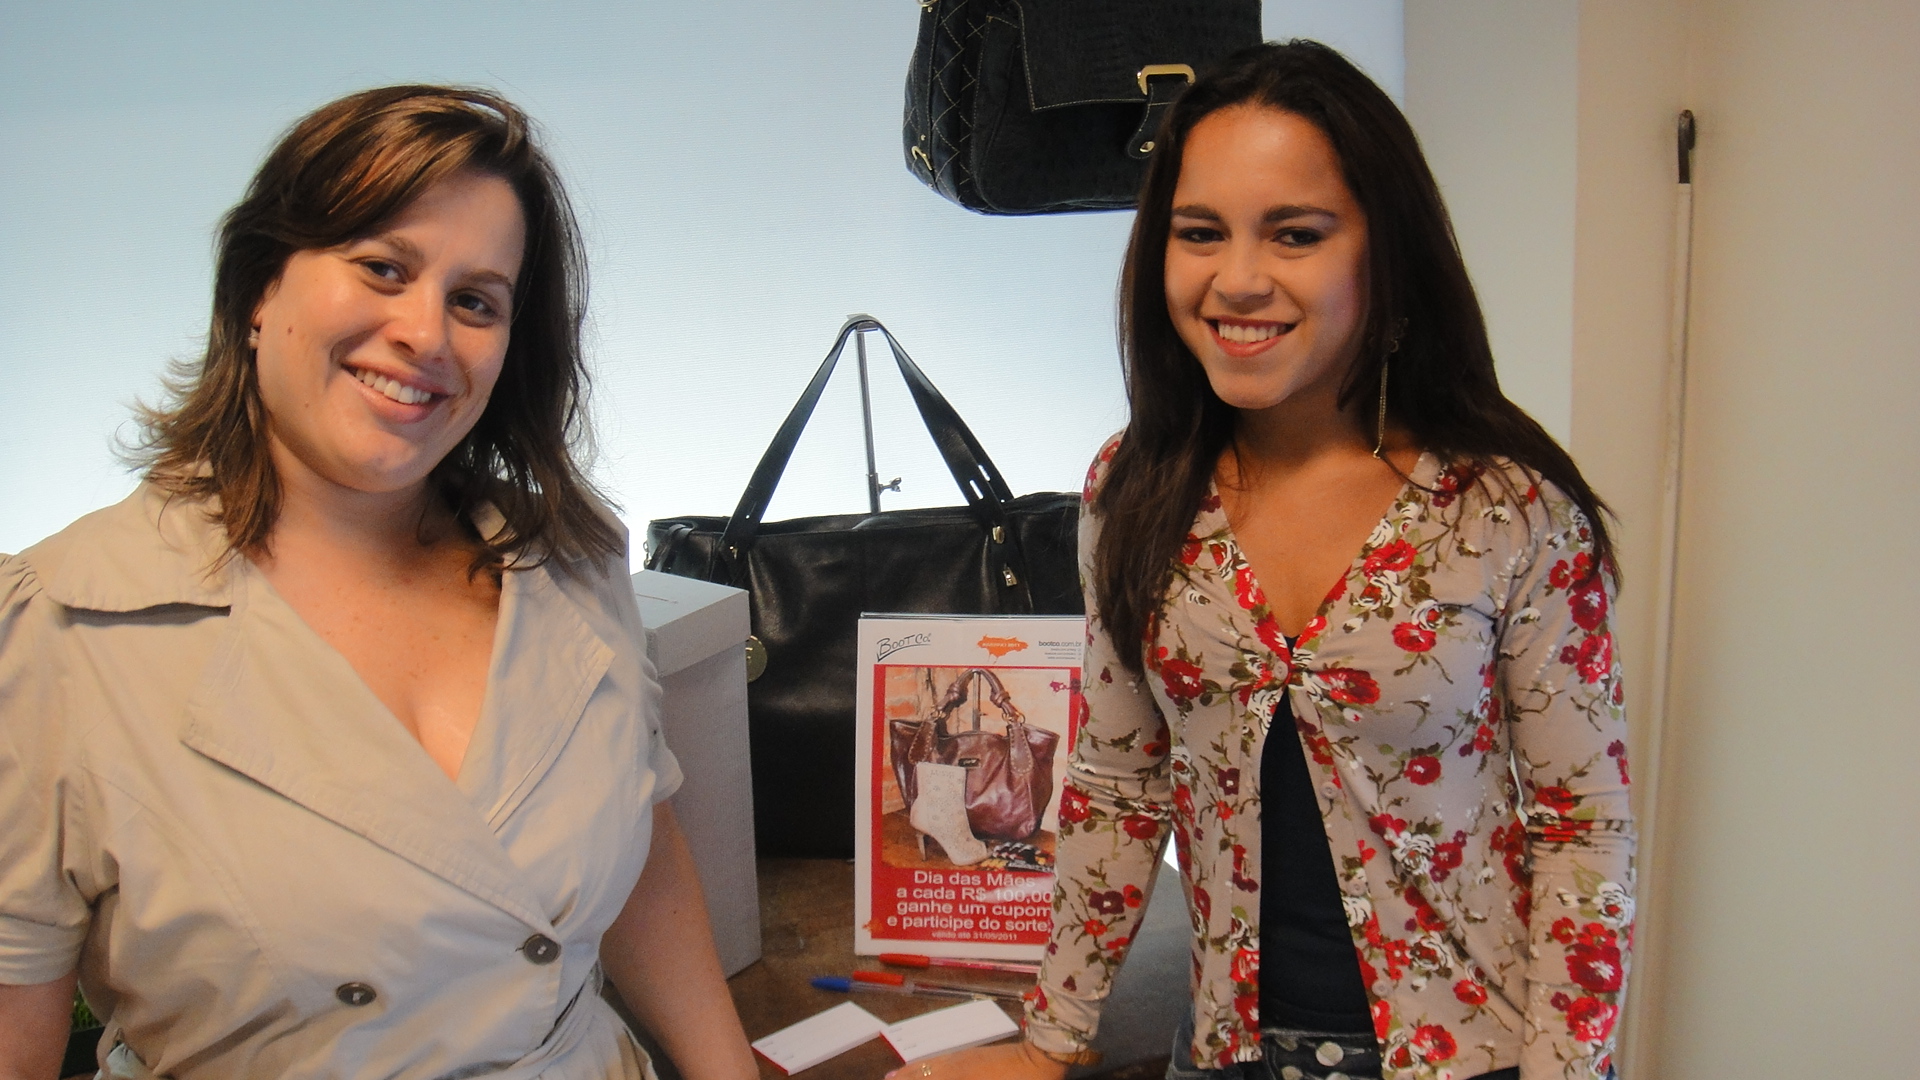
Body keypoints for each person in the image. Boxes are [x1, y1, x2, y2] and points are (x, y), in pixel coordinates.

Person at [895, 41, 1633, 1080]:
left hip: (1475, 1055)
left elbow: (1582, 828)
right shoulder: (1135, 487)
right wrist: (1050, 1041)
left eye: (1296, 234)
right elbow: (1117, 781)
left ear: (1386, 251)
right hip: (1227, 1048)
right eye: (1200, 232)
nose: (1237, 280)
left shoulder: (1507, 509)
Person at [0, 85, 756, 1080]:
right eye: (382, 268)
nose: (427, 335)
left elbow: (641, 848)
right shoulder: (56, 628)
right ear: (259, 289)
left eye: (475, 301)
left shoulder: (568, 560)